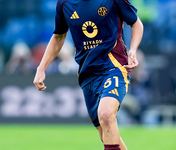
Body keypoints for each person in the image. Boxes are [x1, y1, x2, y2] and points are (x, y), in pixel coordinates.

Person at [33, 0, 143, 150]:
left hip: (114, 66)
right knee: (104, 131)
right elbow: (59, 36)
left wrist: (133, 50)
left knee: (105, 114)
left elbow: (136, 23)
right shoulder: (64, 3)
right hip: (87, 73)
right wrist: (41, 68)